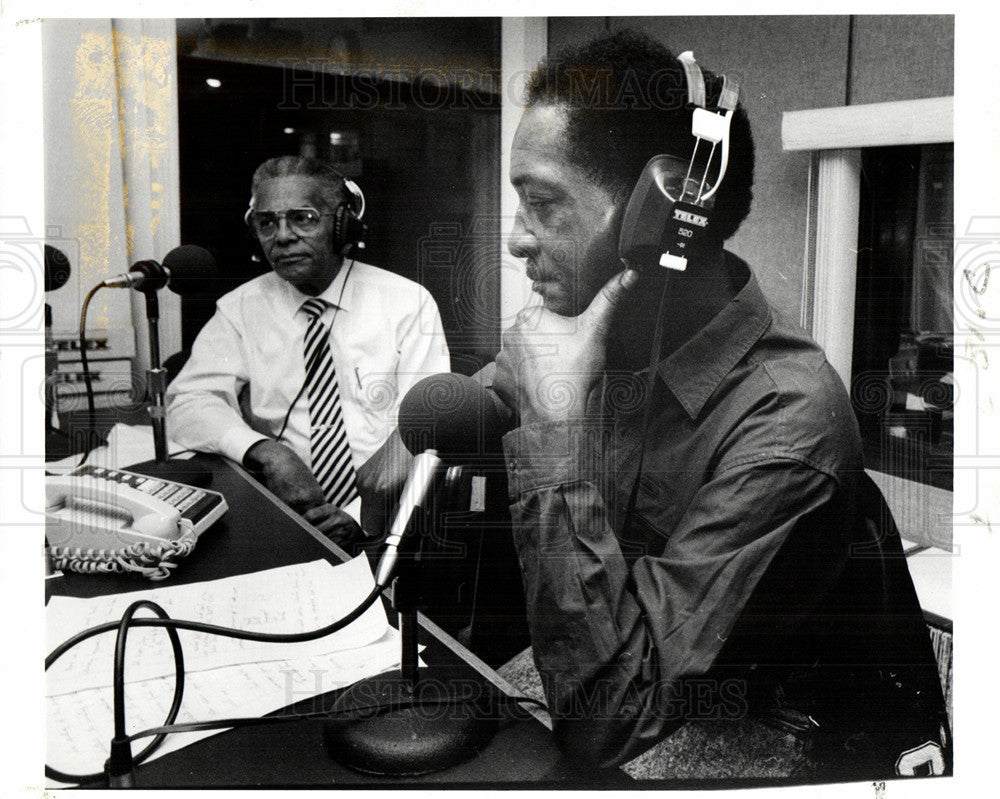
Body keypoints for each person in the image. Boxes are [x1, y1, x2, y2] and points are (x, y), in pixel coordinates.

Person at [489, 31, 949, 779]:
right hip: (614, 697)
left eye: (543, 203)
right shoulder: (599, 338)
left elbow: (610, 719)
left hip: (755, 740)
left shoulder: (787, 423)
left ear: (664, 216)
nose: (517, 239)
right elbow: (487, 390)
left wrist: (550, 434)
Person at [167, 156, 450, 543]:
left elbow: (426, 426)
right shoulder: (240, 308)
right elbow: (188, 402)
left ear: (342, 225)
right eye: (267, 223)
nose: (281, 236)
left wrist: (359, 516)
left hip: (385, 523)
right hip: (279, 518)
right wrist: (264, 451)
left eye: (303, 218)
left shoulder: (408, 303)